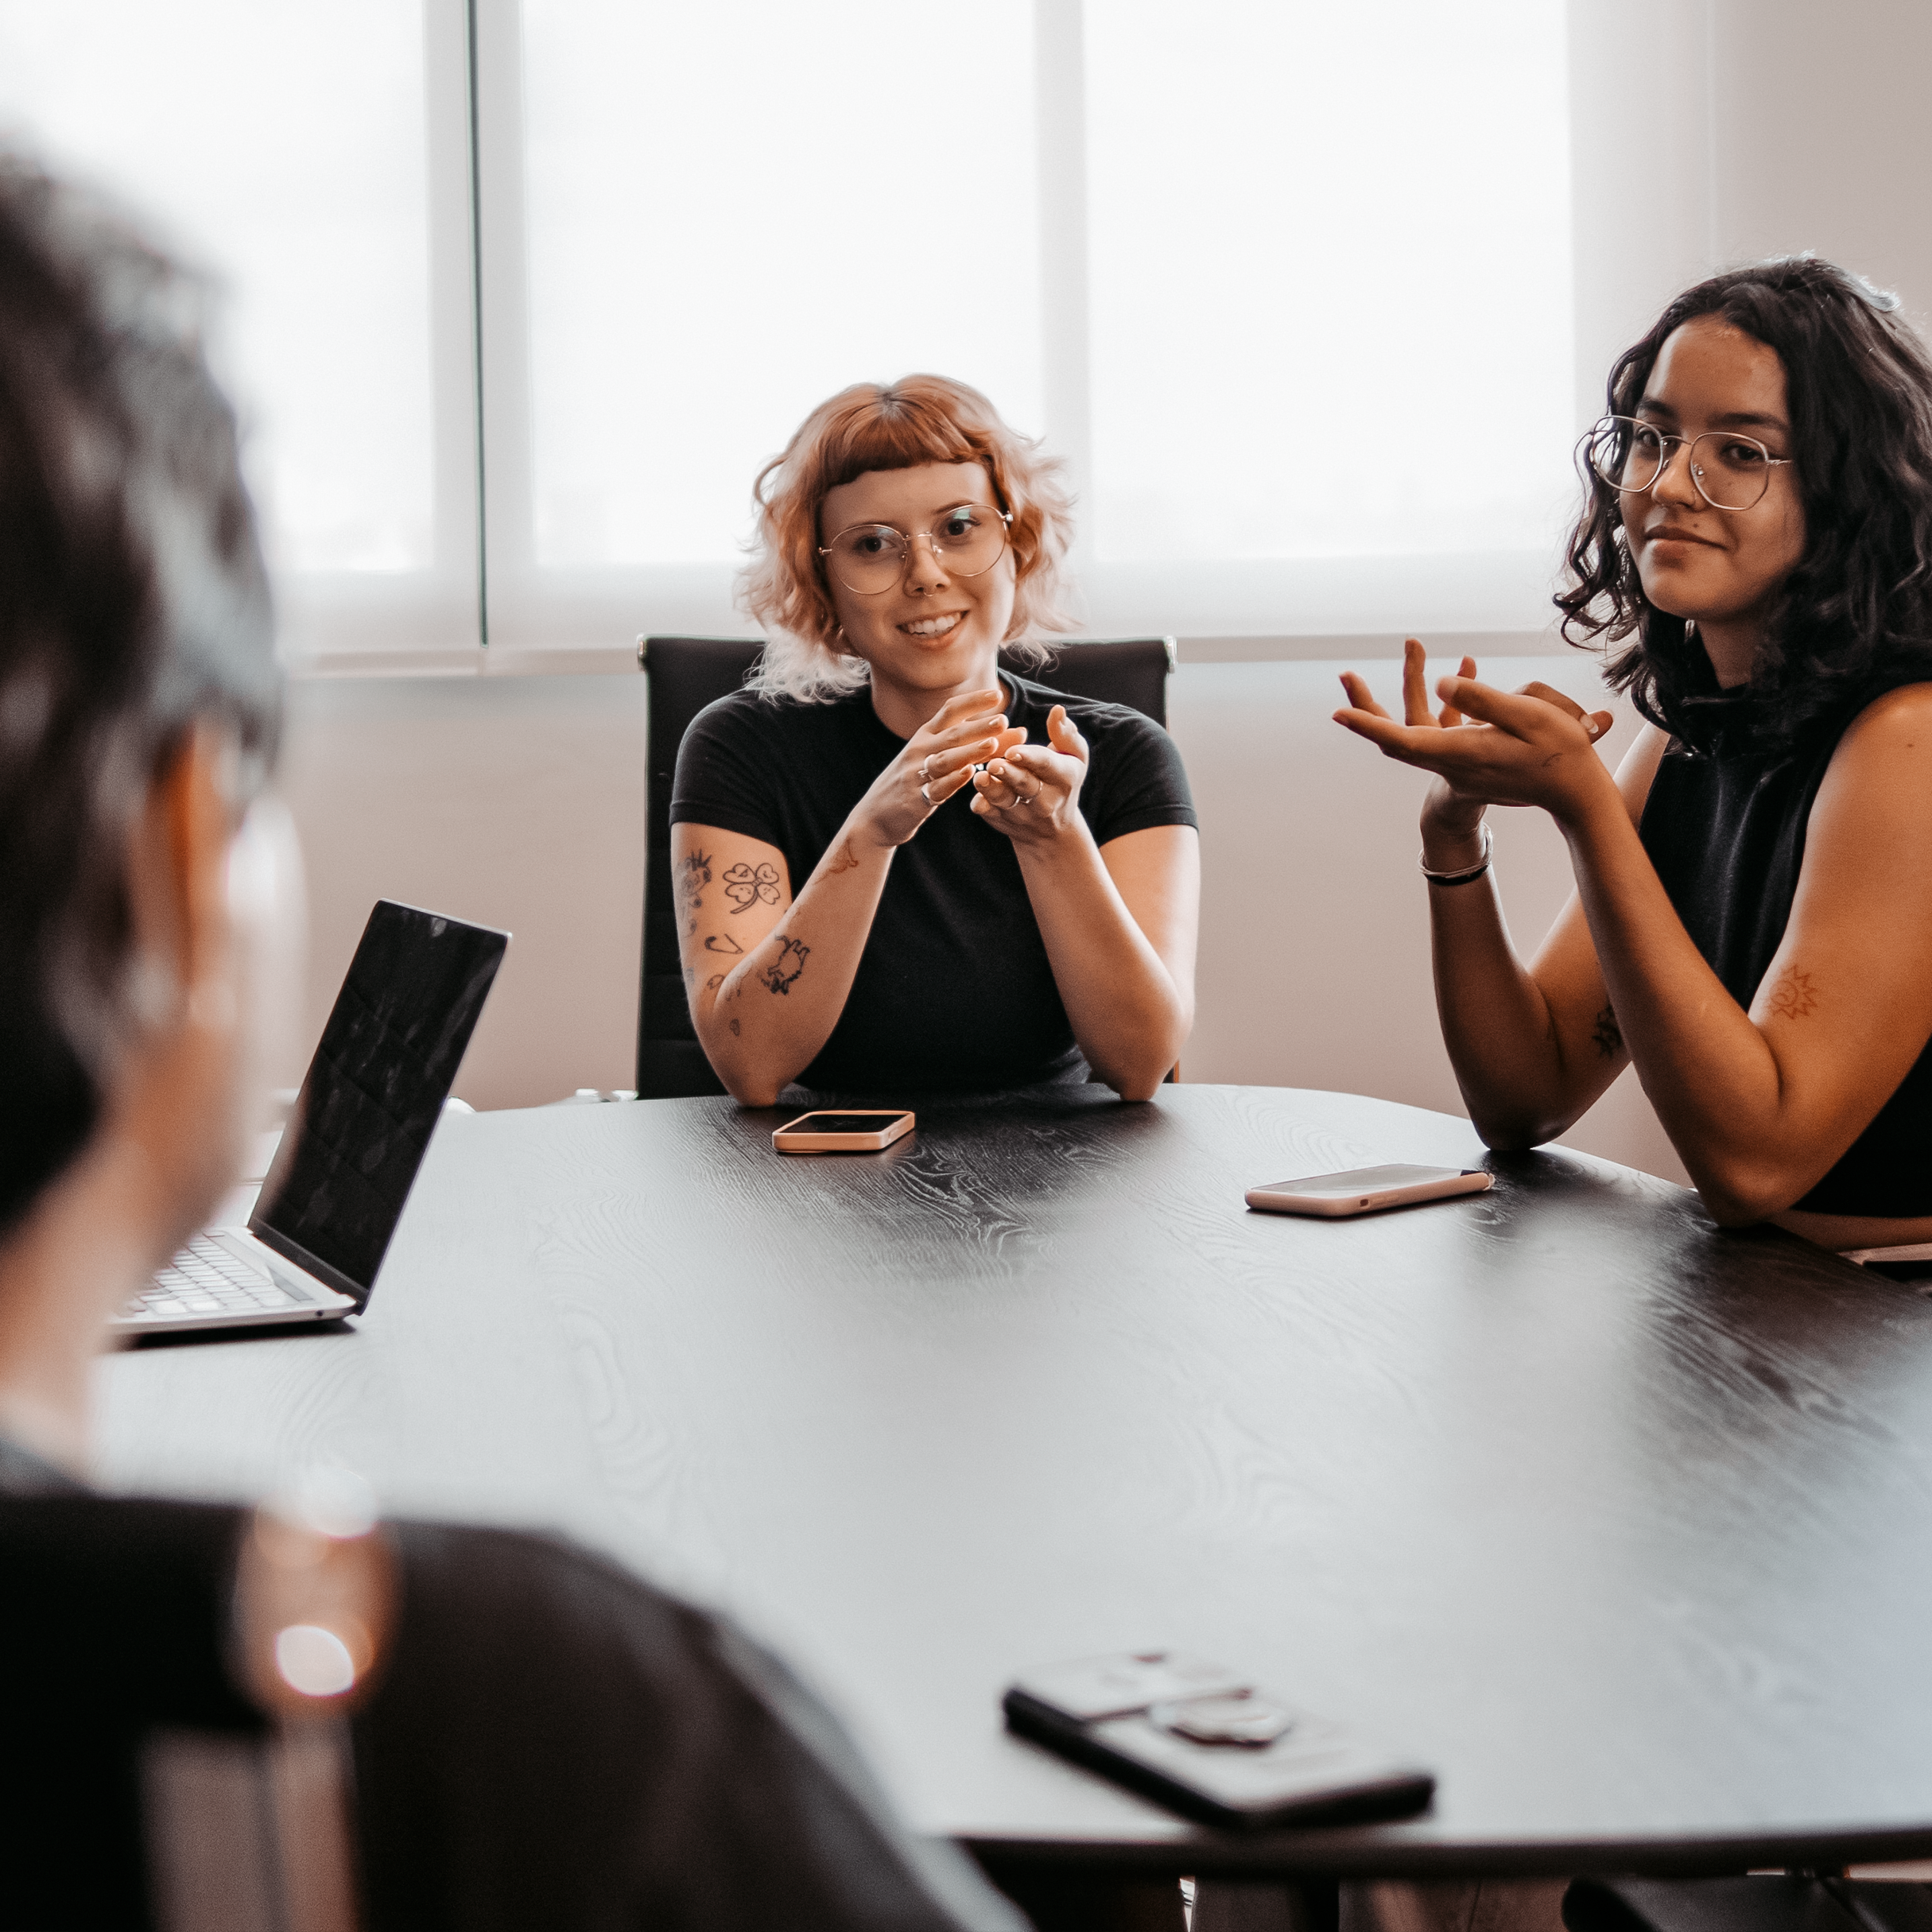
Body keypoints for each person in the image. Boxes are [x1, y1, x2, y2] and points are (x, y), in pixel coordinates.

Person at [0, 155, 1023, 1932]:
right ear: (181, 853)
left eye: (962, 530)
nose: (925, 577)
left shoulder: (1094, 762)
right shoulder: (512, 1722)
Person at [1333, 257, 1932, 1253]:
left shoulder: (1908, 739)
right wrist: (1454, 840)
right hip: (1769, 1303)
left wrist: (1585, 808)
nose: (1665, 485)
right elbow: (1527, 1096)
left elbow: (1755, 1165)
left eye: (1739, 452)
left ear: (1848, 491)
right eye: (1651, 438)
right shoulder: (1685, 738)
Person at [669, 376, 1200, 1105]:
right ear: (822, 579)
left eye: (958, 528)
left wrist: (1055, 840)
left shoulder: (1126, 752)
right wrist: (873, 832)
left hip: (1063, 1174)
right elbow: (752, 1067)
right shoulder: (738, 747)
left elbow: (1140, 1066)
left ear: (1016, 542)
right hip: (813, 1176)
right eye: (873, 545)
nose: (925, 575)